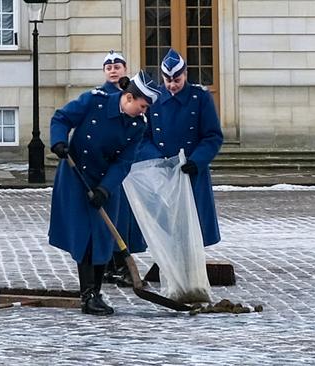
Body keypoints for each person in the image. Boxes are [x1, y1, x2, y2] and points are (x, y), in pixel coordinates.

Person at [48, 71, 160, 316]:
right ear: (129, 98)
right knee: (84, 237)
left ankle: (95, 293)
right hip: (76, 177)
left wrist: (104, 189)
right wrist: (58, 141)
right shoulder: (93, 101)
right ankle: (88, 296)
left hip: (105, 183)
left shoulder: (137, 126)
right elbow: (61, 118)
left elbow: (123, 162)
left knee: (102, 237)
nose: (144, 112)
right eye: (142, 106)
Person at [139, 48, 223, 247]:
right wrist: (157, 160)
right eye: (168, 81)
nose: (172, 85)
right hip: (163, 172)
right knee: (165, 226)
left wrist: (196, 161)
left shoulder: (200, 97)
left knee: (193, 227)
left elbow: (212, 136)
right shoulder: (155, 98)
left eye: (177, 80)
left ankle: (192, 264)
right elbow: (144, 136)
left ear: (185, 74)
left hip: (191, 170)